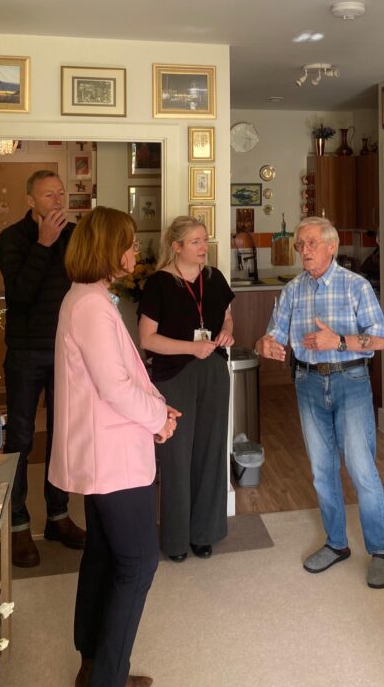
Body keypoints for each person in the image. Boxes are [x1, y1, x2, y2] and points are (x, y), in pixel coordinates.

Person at [48, 207, 178, 687]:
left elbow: (123, 377)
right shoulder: (89, 305)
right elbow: (114, 387)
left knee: (103, 555)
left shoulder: (90, 299)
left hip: (107, 452)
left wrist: (157, 407)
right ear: (106, 250)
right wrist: (158, 418)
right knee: (138, 561)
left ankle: (92, 664)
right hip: (113, 458)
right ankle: (107, 677)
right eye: (127, 242)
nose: (135, 251)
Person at [255, 216, 384, 589]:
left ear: (331, 247)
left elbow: (379, 339)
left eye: (312, 242)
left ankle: (381, 551)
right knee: (322, 470)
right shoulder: (293, 290)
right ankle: (336, 544)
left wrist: (341, 342)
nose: (305, 250)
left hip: (350, 380)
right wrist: (263, 345)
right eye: (301, 244)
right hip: (307, 383)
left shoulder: (356, 286)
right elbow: (273, 334)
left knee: (362, 469)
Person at [0, 169, 85, 568]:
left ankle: (58, 517)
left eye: (60, 193)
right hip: (26, 352)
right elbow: (18, 294)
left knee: (62, 436)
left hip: (65, 350)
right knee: (19, 437)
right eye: (48, 195)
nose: (57, 201)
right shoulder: (12, 238)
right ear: (30, 200)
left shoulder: (73, 236)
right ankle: (16, 525)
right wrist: (43, 244)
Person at [138, 216, 234, 561]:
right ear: (176, 246)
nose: (202, 247)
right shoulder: (159, 284)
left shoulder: (215, 278)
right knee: (177, 457)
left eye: (204, 240)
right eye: (194, 241)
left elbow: (226, 316)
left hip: (213, 373)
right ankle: (177, 539)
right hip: (175, 374)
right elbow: (147, 339)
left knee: (211, 452)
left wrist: (226, 332)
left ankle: (204, 532)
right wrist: (191, 348)